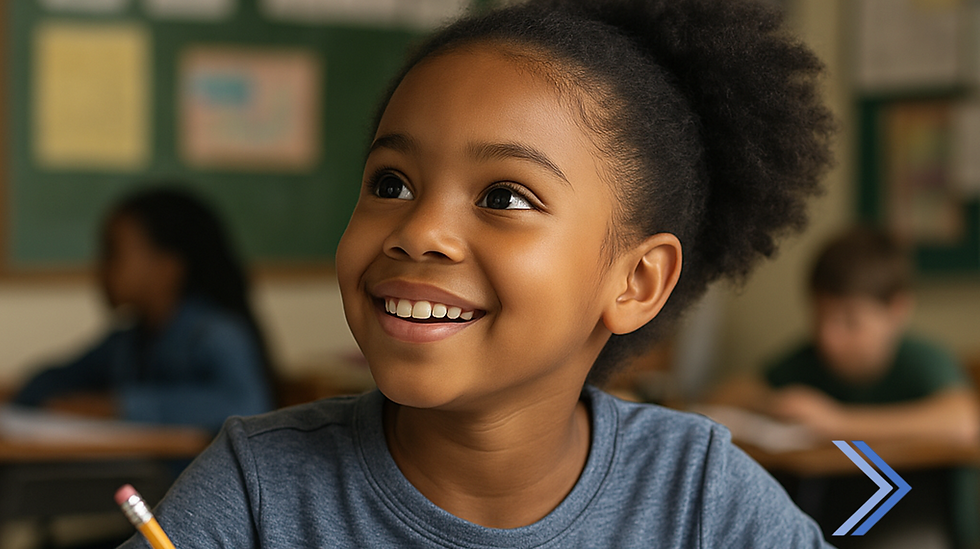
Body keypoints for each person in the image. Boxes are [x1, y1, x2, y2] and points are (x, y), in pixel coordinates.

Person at [120, 0, 836, 546]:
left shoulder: (699, 498)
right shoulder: (259, 489)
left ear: (637, 281)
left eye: (504, 197)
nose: (419, 231)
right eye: (391, 183)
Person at [712, 226, 980, 547]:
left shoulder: (922, 361)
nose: (830, 337)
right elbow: (729, 393)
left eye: (850, 321)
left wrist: (836, 422)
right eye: (821, 317)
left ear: (896, 310)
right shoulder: (809, 359)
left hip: (921, 523)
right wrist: (774, 403)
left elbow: (963, 421)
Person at [14, 186, 274, 434]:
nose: (99, 268)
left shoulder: (215, 334)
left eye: (113, 253)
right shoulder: (126, 341)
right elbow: (48, 382)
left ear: (168, 266)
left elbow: (245, 406)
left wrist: (119, 407)